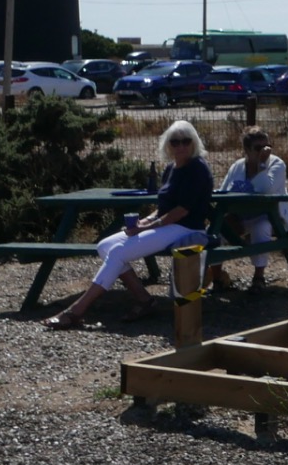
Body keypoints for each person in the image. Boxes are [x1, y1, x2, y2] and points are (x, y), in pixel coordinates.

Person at [43, 119, 214, 329]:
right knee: (104, 246)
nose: (180, 146)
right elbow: (164, 208)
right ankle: (144, 300)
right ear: (168, 145)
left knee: (118, 252)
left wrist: (147, 227)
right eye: (175, 142)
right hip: (167, 224)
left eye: (185, 141)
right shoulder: (171, 168)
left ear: (194, 142)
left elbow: (181, 211)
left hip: (186, 227)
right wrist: (145, 220)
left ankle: (76, 310)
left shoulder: (197, 168)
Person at [212, 127, 288, 294]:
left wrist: (261, 165)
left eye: (267, 147)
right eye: (258, 148)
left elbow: (266, 189)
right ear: (247, 150)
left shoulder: (277, 165)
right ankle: (217, 278)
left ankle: (258, 277)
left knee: (261, 227)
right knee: (216, 230)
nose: (264, 152)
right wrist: (229, 214)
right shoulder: (237, 167)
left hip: (269, 216)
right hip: (240, 216)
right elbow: (224, 191)